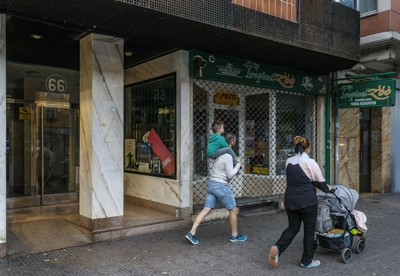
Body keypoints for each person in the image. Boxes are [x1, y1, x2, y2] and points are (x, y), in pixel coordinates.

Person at [268, 135, 331, 268]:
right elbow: (320, 183)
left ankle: (278, 247)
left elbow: (296, 179)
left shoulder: (288, 161)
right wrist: (328, 188)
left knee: (293, 227)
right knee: (309, 230)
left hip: (290, 199)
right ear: (308, 149)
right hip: (307, 201)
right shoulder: (310, 162)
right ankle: (307, 261)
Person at [185, 133, 247, 244]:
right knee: (233, 209)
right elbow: (230, 175)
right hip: (220, 185)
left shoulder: (219, 155)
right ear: (232, 142)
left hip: (211, 184)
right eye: (235, 141)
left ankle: (191, 233)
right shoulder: (228, 156)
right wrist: (238, 164)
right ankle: (234, 236)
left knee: (206, 209)